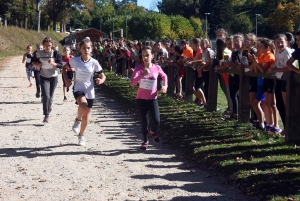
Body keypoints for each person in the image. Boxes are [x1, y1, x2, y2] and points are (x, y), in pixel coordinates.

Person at [63, 38, 106, 146]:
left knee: (87, 116)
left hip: (90, 90)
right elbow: (64, 68)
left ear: (91, 49)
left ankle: (81, 136)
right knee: (83, 104)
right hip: (78, 88)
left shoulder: (94, 62)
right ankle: (77, 120)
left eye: (88, 48)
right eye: (84, 48)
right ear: (80, 49)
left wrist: (101, 80)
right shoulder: (76, 60)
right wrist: (66, 79)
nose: (86, 50)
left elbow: (103, 75)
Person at [130, 46, 168, 150]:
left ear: (152, 55)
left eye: (147, 55)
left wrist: (165, 86)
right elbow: (132, 83)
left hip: (153, 98)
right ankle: (145, 141)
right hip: (141, 99)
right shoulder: (139, 68)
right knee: (145, 121)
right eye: (143, 56)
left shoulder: (156, 67)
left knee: (156, 120)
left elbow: (164, 76)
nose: (145, 58)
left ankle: (153, 131)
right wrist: (142, 74)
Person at [31, 37, 63, 123]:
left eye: (49, 45)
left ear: (52, 45)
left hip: (54, 77)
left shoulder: (56, 53)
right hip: (44, 76)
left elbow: (61, 65)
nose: (47, 47)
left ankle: (49, 105)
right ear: (43, 45)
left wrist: (53, 63)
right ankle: (46, 115)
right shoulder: (39, 53)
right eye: (46, 45)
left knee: (51, 96)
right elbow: (32, 60)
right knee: (46, 96)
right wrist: (38, 65)